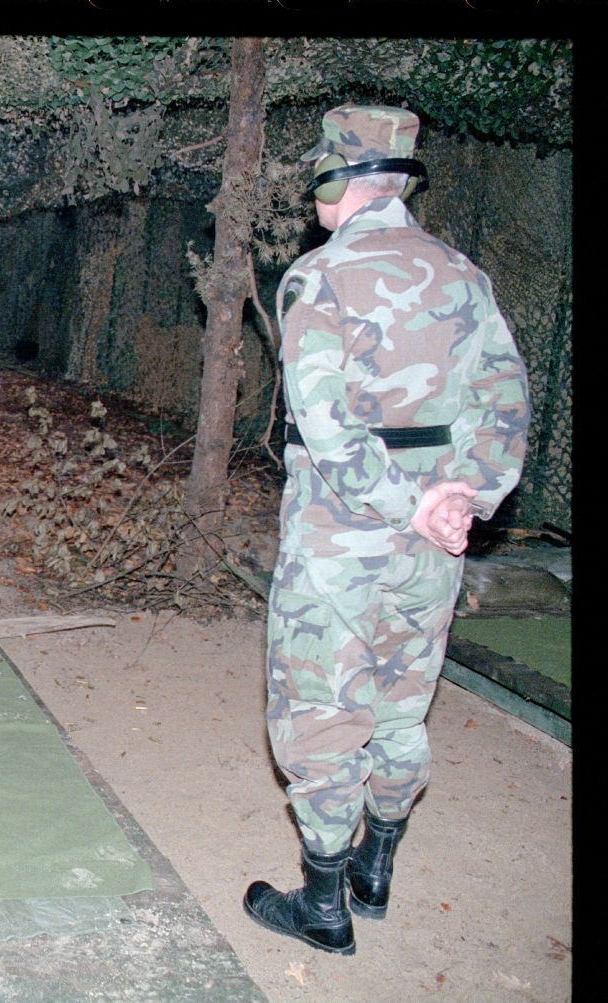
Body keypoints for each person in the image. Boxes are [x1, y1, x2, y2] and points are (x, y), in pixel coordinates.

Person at [242, 104, 531, 956]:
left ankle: (325, 905)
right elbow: (504, 404)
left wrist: (405, 501)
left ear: (337, 184)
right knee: (401, 708)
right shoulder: (463, 276)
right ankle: (377, 867)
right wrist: (462, 499)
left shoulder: (319, 277)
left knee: (321, 716)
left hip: (341, 539)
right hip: (431, 545)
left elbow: (324, 429)